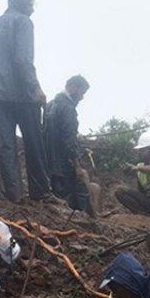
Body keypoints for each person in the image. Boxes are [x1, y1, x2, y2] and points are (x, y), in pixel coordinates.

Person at [0, 0, 49, 202]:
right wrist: (35, 88)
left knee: (6, 147)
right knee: (34, 143)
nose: (32, 10)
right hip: (22, 94)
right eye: (30, 5)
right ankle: (41, 195)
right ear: (20, 3)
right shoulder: (23, 22)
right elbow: (22, 59)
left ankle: (14, 197)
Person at [43, 75, 95, 217]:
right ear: (72, 87)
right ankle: (85, 220)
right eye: (82, 92)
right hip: (63, 164)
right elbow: (69, 139)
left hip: (50, 163)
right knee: (80, 189)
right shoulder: (68, 107)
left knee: (58, 195)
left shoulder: (50, 105)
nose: (82, 97)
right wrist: (77, 165)